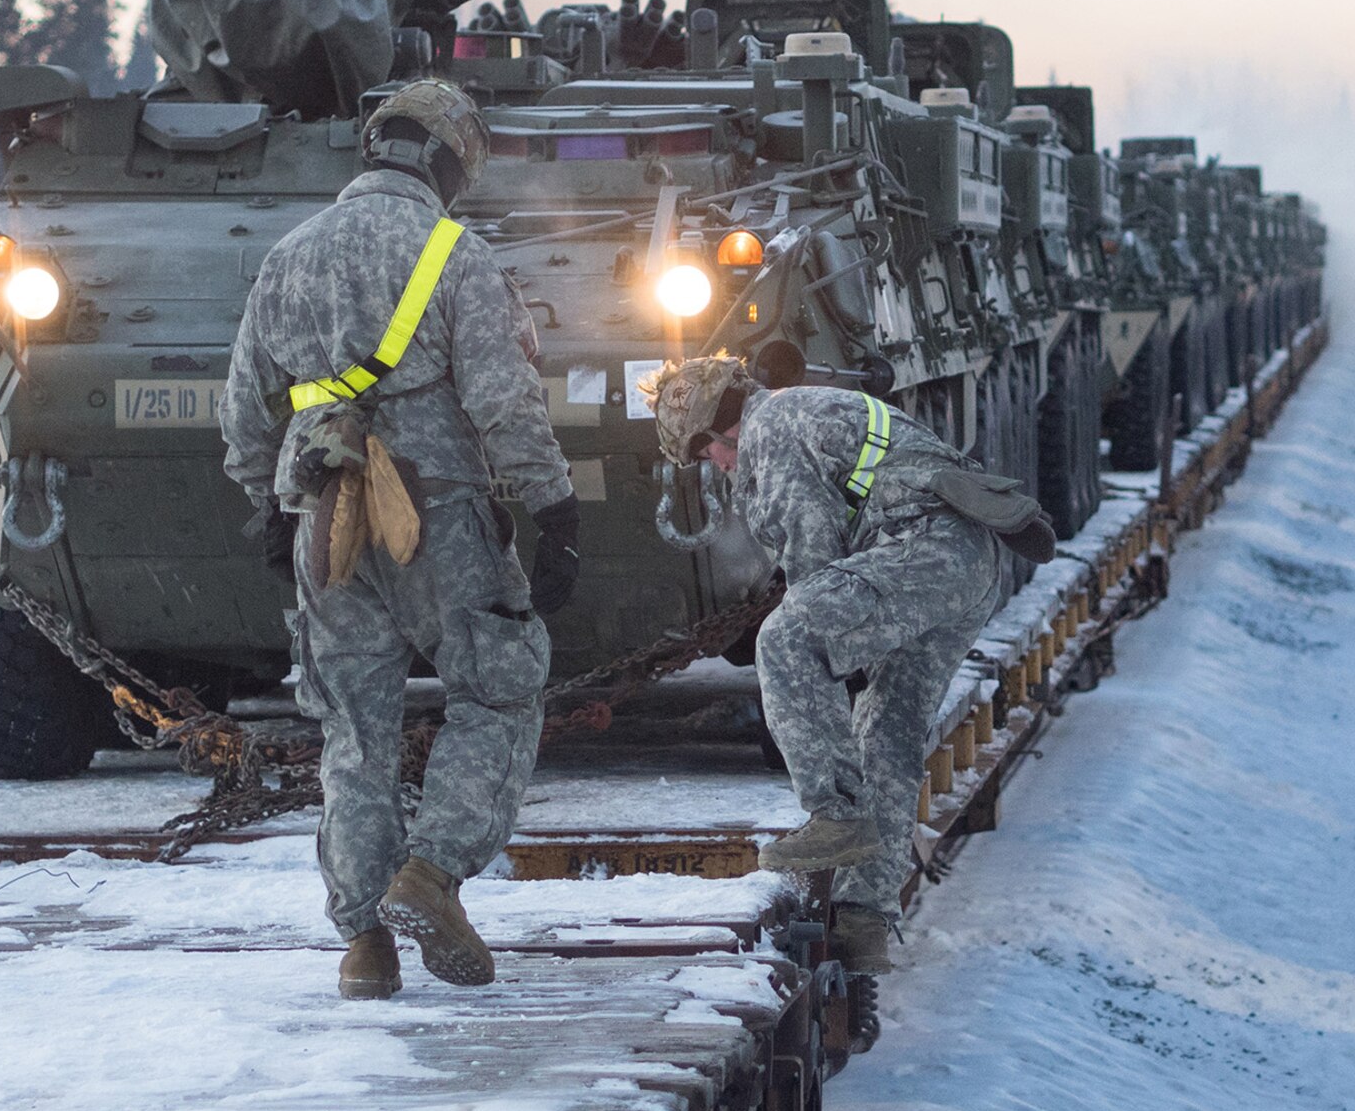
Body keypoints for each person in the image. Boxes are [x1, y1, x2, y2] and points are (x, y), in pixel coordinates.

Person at [221, 78, 580, 999]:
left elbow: (243, 411)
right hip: (438, 519)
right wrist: (554, 509)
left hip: (322, 521)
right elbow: (503, 399)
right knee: (498, 686)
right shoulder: (454, 254)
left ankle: (363, 943)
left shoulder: (287, 258)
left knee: (353, 729)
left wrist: (270, 506)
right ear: (449, 164)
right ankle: (433, 871)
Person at [641, 355, 1053, 974]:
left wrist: (829, 655)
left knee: (784, 640)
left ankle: (834, 814)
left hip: (922, 551)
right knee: (886, 729)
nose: (716, 468)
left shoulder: (769, 428)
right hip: (968, 563)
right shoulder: (806, 407)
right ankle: (865, 917)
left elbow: (812, 551)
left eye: (706, 456)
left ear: (716, 429)